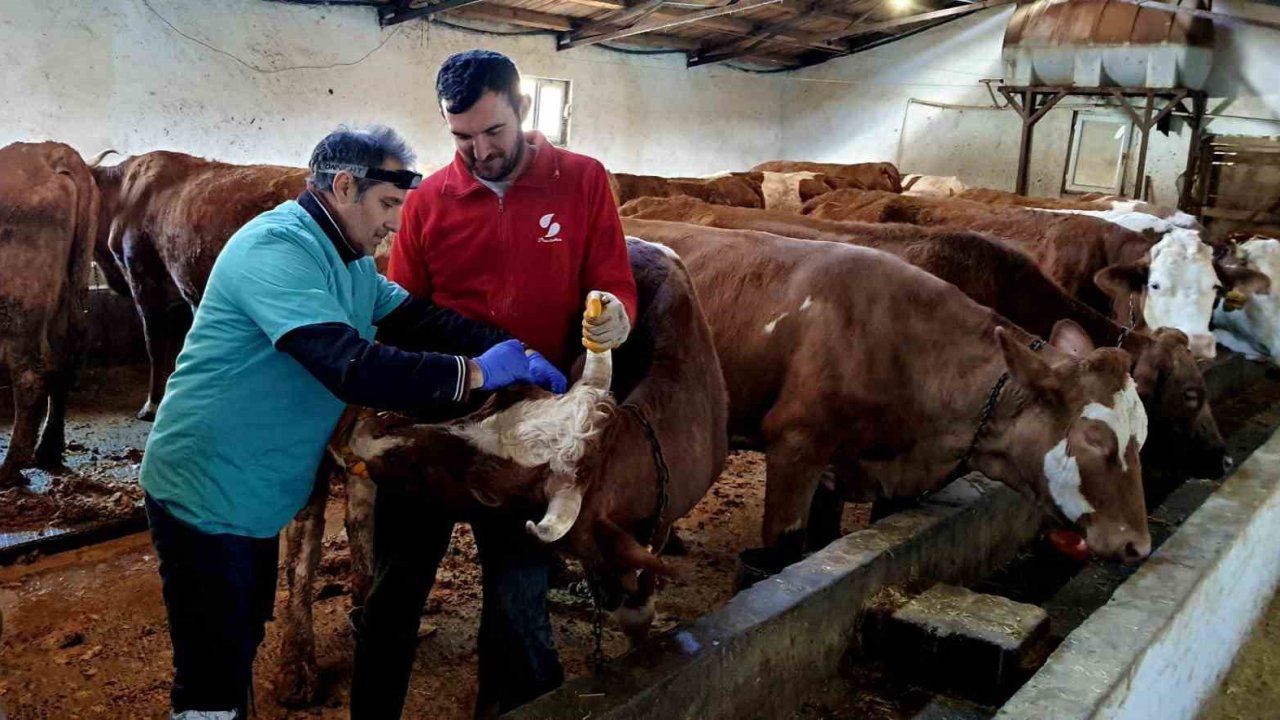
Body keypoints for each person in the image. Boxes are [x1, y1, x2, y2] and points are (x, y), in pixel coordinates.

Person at [140, 125, 565, 720]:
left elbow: (420, 318)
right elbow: (351, 366)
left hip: (256, 495)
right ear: (344, 187)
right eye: (388, 205)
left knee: (240, 642)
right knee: (210, 673)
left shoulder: (351, 262)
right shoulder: (276, 250)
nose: (394, 224)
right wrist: (474, 373)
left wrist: (511, 349)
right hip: (206, 490)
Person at [351, 50, 638, 719]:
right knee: (395, 588)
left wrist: (616, 314)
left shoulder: (584, 182)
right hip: (442, 415)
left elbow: (612, 281)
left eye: (492, 133)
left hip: (534, 424)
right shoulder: (426, 202)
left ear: (522, 111)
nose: (478, 151)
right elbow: (405, 310)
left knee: (516, 594)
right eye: (461, 137)